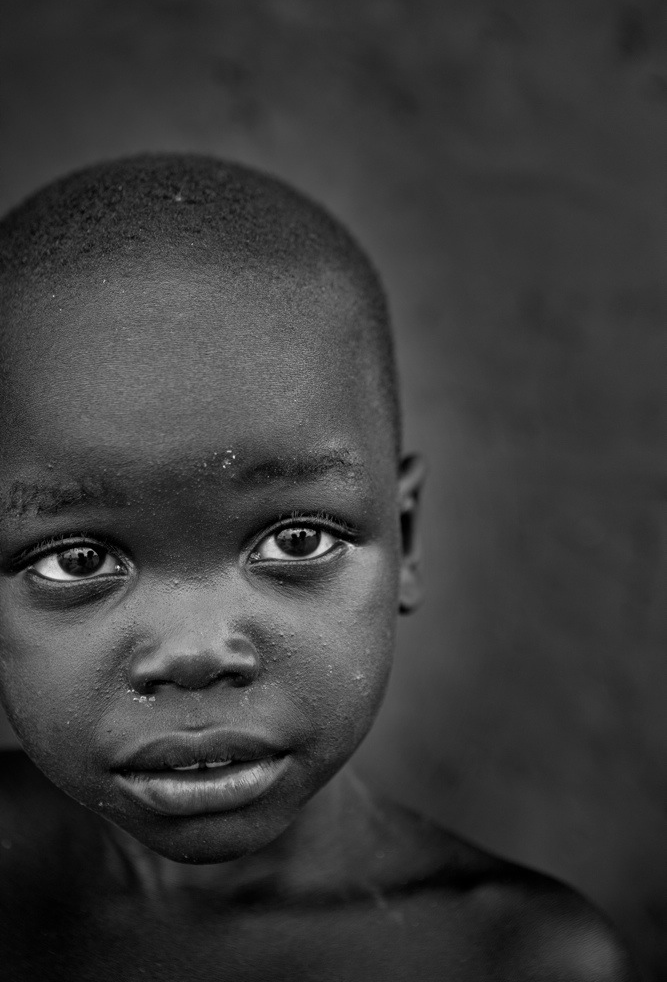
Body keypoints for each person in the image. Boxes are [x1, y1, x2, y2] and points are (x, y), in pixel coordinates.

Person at [0, 154, 639, 981]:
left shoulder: (515, 959)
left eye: (297, 542)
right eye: (77, 560)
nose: (195, 652)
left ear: (404, 538)